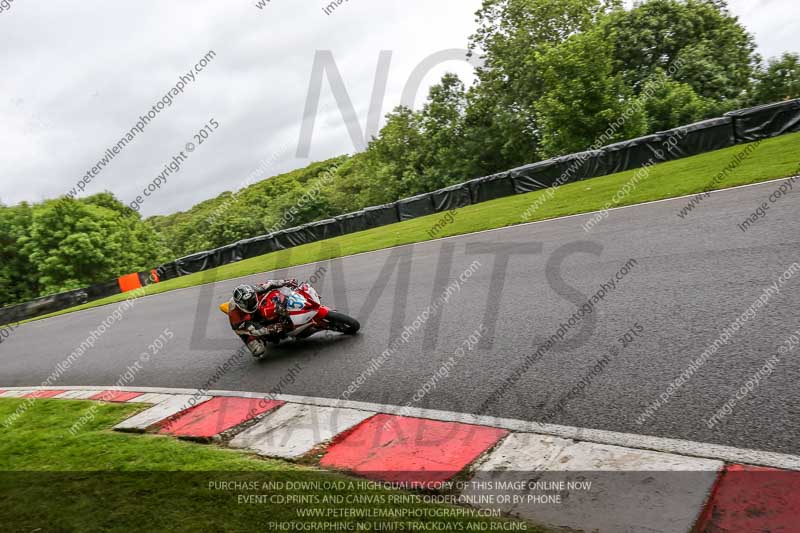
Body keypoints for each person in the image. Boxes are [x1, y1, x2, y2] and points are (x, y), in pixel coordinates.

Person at [228, 279, 299, 357]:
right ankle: (261, 339)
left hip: (254, 312)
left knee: (271, 299)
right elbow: (254, 330)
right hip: (244, 327)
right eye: (248, 303)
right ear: (241, 305)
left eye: (252, 300)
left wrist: (286, 282)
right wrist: (272, 328)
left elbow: (270, 284)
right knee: (259, 351)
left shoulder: (253, 290)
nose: (251, 303)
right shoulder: (235, 314)